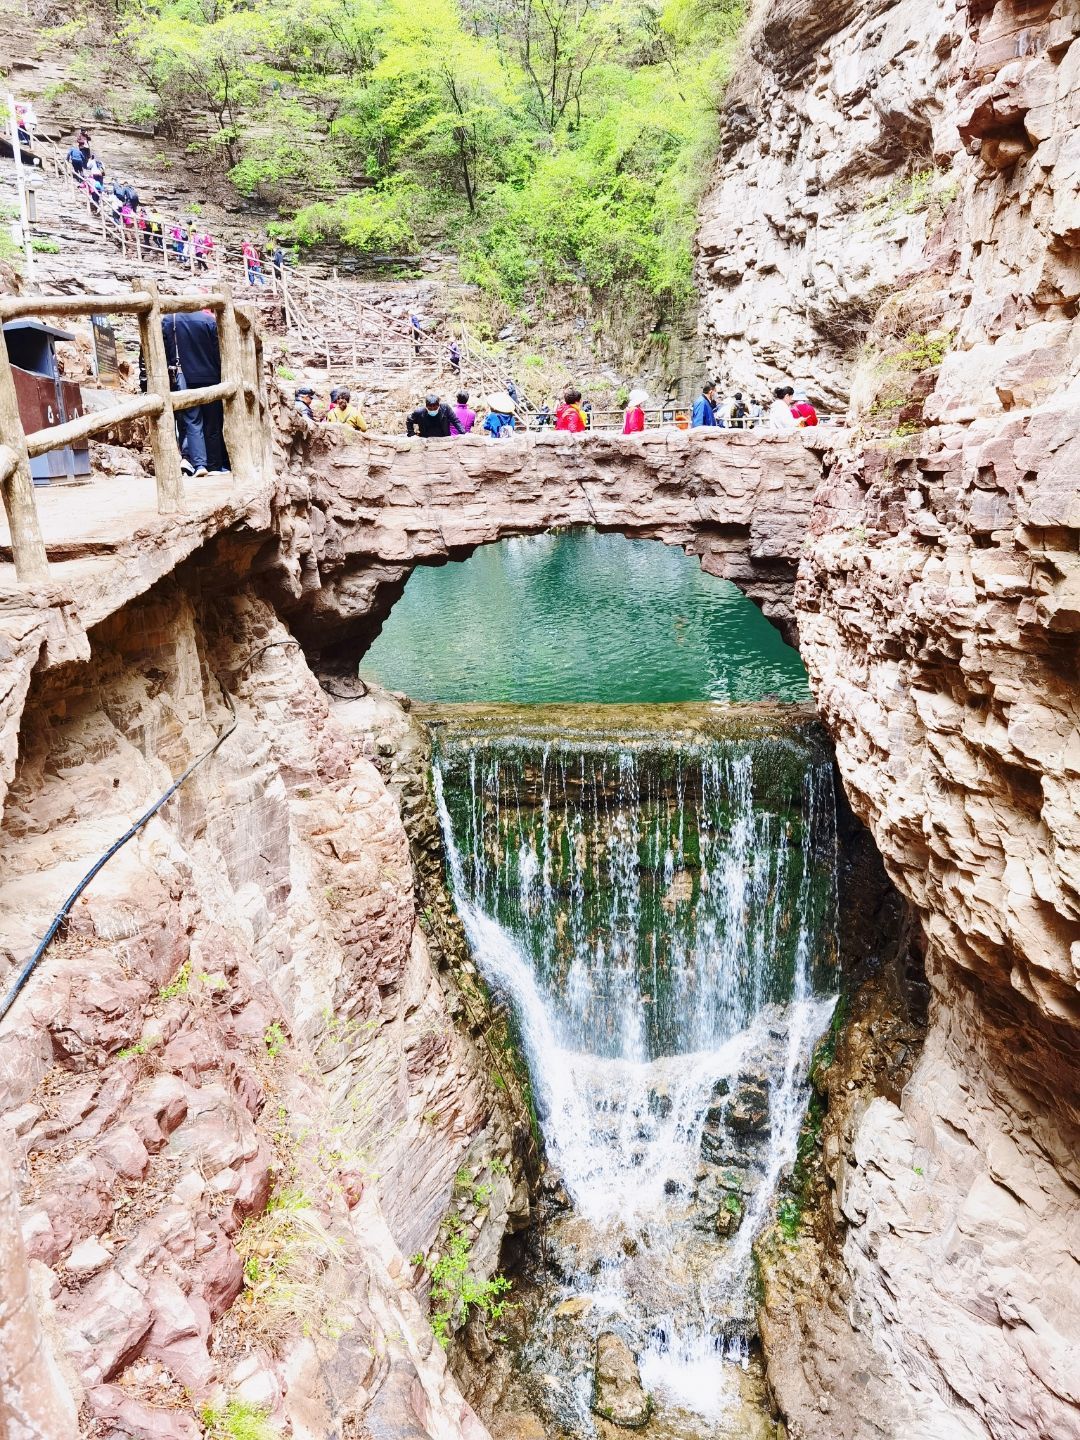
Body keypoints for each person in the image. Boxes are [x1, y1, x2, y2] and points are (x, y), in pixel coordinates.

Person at [162, 309, 227, 475]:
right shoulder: (210, 321)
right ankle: (215, 466)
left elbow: (165, 350)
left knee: (192, 421)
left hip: (184, 376)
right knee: (213, 421)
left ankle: (200, 465)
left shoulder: (170, 319)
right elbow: (218, 351)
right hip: (211, 376)